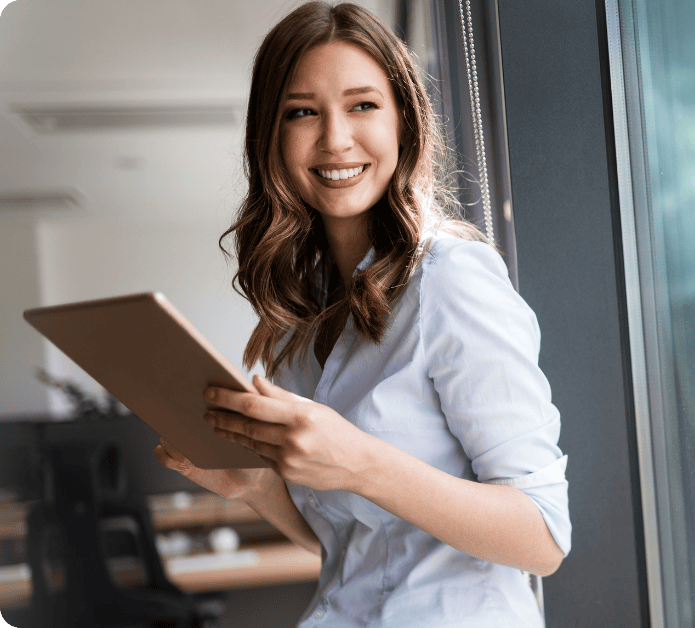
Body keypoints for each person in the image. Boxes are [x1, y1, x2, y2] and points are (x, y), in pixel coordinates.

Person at [153, 3, 570, 626]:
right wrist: (257, 487)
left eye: (362, 105)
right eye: (302, 112)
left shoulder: (450, 278)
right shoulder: (299, 311)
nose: (334, 139)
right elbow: (352, 550)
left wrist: (362, 462)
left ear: (404, 119)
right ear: (271, 134)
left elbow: (543, 537)